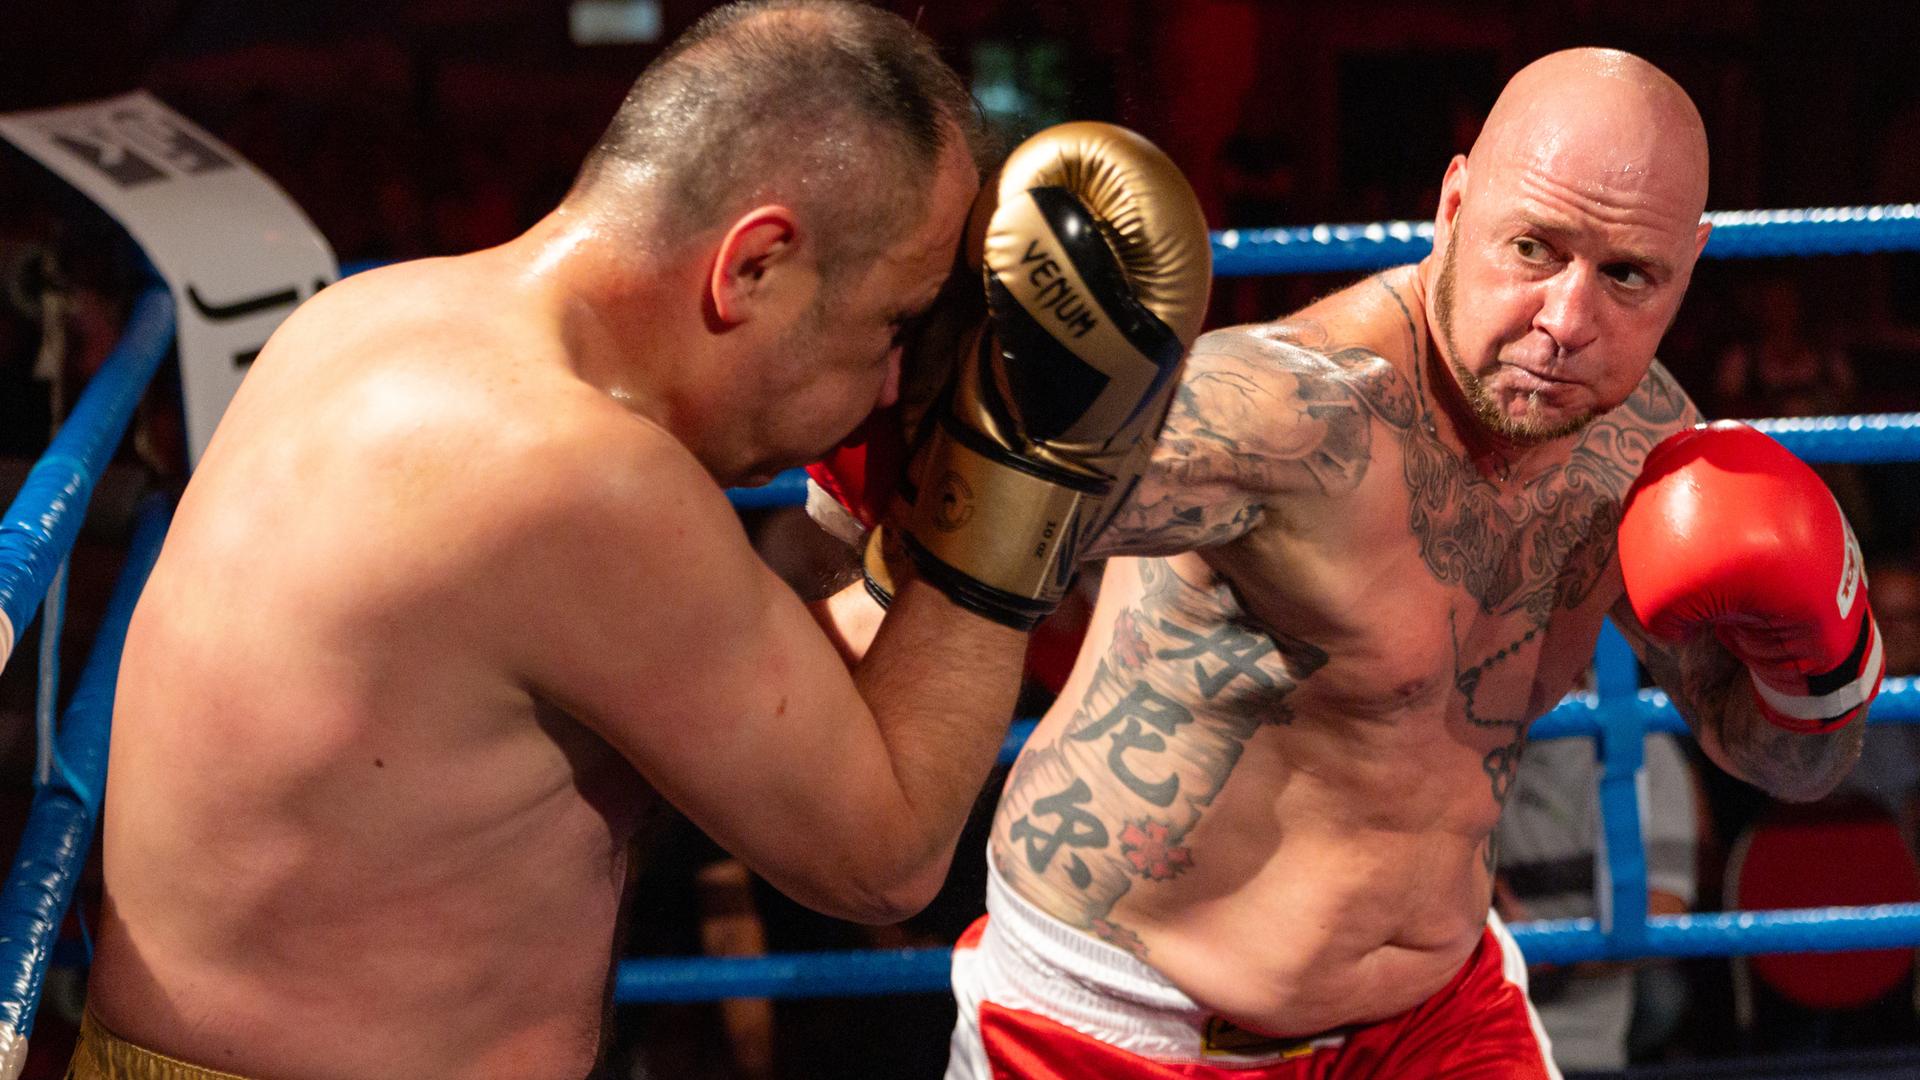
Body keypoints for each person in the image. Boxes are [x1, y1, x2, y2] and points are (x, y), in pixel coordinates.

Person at [70, 3, 1201, 1077]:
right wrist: (1011, 483)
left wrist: (905, 552)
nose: (892, 383)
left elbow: (729, 692)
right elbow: (884, 858)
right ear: (753, 265)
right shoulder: (578, 478)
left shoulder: (368, 320)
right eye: (891, 326)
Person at [929, 48, 1882, 1078]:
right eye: (1532, 247)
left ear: (1688, 265)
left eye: (1626, 276)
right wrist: (982, 392)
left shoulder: (1642, 457)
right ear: (1454, 202)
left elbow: (1794, 765)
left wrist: (1818, 672)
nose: (1566, 322)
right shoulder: (1291, 413)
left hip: (1430, 1021)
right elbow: (993, 506)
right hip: (1115, 1023)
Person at [1493, 733, 1700, 1072]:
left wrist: (1548, 956)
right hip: (1471, 1010)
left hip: (1586, 1024)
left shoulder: (1640, 746)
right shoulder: (1462, 742)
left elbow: (1665, 911)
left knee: (1661, 999)